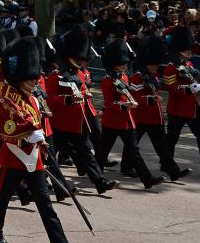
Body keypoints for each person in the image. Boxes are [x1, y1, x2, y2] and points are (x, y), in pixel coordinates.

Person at [0, 37, 82, 243]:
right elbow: (9, 125)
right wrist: (30, 134)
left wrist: (40, 139)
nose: (33, 84)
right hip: (14, 157)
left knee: (45, 203)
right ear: (19, 78)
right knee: (1, 200)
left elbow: (36, 123)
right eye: (29, 81)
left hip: (34, 158)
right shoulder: (8, 96)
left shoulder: (33, 100)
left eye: (34, 80)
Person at [45, 27, 119, 193]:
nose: (80, 61)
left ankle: (100, 182)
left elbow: (84, 92)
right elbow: (50, 98)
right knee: (49, 158)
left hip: (77, 124)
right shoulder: (55, 76)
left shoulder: (79, 74)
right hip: (59, 125)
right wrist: (68, 100)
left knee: (87, 155)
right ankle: (46, 185)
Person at [96, 38, 164, 189]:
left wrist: (131, 103)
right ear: (115, 64)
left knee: (134, 151)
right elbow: (109, 103)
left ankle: (147, 179)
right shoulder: (108, 80)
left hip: (127, 121)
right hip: (113, 121)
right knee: (102, 152)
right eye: (122, 64)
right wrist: (125, 106)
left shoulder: (124, 77)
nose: (125, 66)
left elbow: (127, 94)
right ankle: (97, 175)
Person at [130, 33, 189, 181]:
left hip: (155, 118)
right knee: (132, 144)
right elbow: (135, 97)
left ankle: (173, 172)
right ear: (147, 63)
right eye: (153, 64)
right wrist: (150, 99)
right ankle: (126, 166)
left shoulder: (153, 76)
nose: (156, 67)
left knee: (163, 148)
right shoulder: (138, 77)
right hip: (142, 117)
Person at [163, 26, 200, 158]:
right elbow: (171, 87)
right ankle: (166, 163)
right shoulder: (171, 67)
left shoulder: (188, 65)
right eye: (186, 49)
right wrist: (189, 89)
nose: (189, 51)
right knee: (172, 138)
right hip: (177, 109)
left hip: (192, 108)